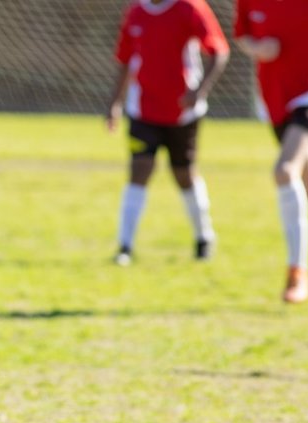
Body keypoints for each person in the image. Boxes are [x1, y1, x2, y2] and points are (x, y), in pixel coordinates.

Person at [105, 0, 229, 266]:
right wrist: (115, 103)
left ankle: (203, 237)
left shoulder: (190, 8)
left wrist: (199, 91)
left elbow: (218, 51)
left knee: (183, 174)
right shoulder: (136, 12)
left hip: (182, 112)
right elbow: (126, 59)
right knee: (139, 169)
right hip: (143, 110)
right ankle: (125, 246)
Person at [235, 0, 308, 303]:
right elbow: (242, 35)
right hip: (276, 97)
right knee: (303, 184)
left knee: (284, 171)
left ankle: (296, 274)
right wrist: (257, 47)